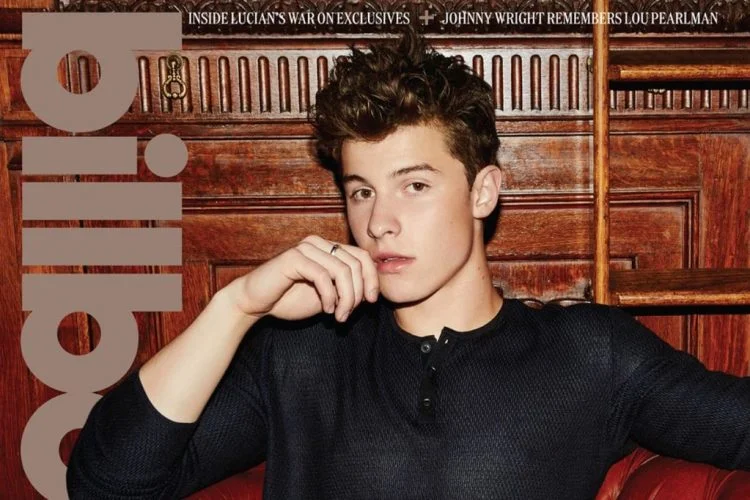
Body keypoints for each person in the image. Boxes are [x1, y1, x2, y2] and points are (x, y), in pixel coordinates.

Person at [66, 29, 750, 499]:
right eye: (361, 191)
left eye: (414, 185)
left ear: (483, 192)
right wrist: (235, 306)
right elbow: (105, 485)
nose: (378, 221)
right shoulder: (301, 356)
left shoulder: (590, 354)